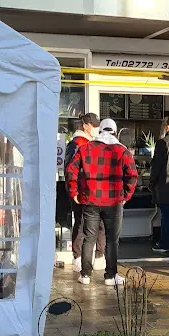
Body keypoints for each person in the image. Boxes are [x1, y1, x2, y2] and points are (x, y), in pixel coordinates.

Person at [66, 118, 138, 286]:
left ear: (100, 131)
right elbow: (133, 176)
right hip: (113, 202)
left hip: (90, 200)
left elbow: (71, 170)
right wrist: (125, 195)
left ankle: (85, 275)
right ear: (114, 131)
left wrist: (74, 192)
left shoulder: (85, 149)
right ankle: (110, 276)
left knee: (89, 238)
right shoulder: (122, 151)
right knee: (112, 239)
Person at [64, 113, 105, 272]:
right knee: (81, 223)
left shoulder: (91, 143)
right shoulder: (77, 144)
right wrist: (74, 191)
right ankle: (78, 257)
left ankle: (95, 257)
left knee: (95, 224)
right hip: (80, 191)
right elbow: (70, 170)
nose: (96, 128)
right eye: (94, 125)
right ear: (85, 125)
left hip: (91, 190)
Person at [150, 115, 169, 253]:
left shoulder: (163, 142)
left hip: (166, 185)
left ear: (167, 126)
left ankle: (165, 243)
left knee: (167, 213)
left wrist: (152, 182)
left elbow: (156, 166)